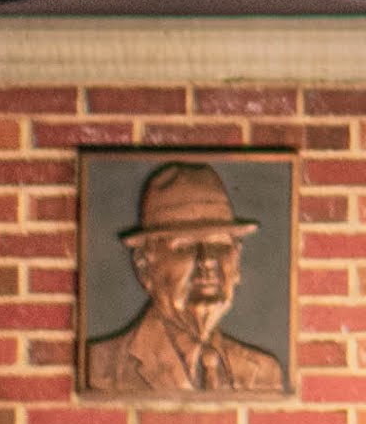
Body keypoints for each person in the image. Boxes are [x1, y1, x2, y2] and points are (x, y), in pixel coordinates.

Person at [77, 161, 288, 394]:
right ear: (144, 265)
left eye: (219, 244)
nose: (207, 261)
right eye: (185, 247)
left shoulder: (265, 372)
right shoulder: (101, 368)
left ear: (237, 261)